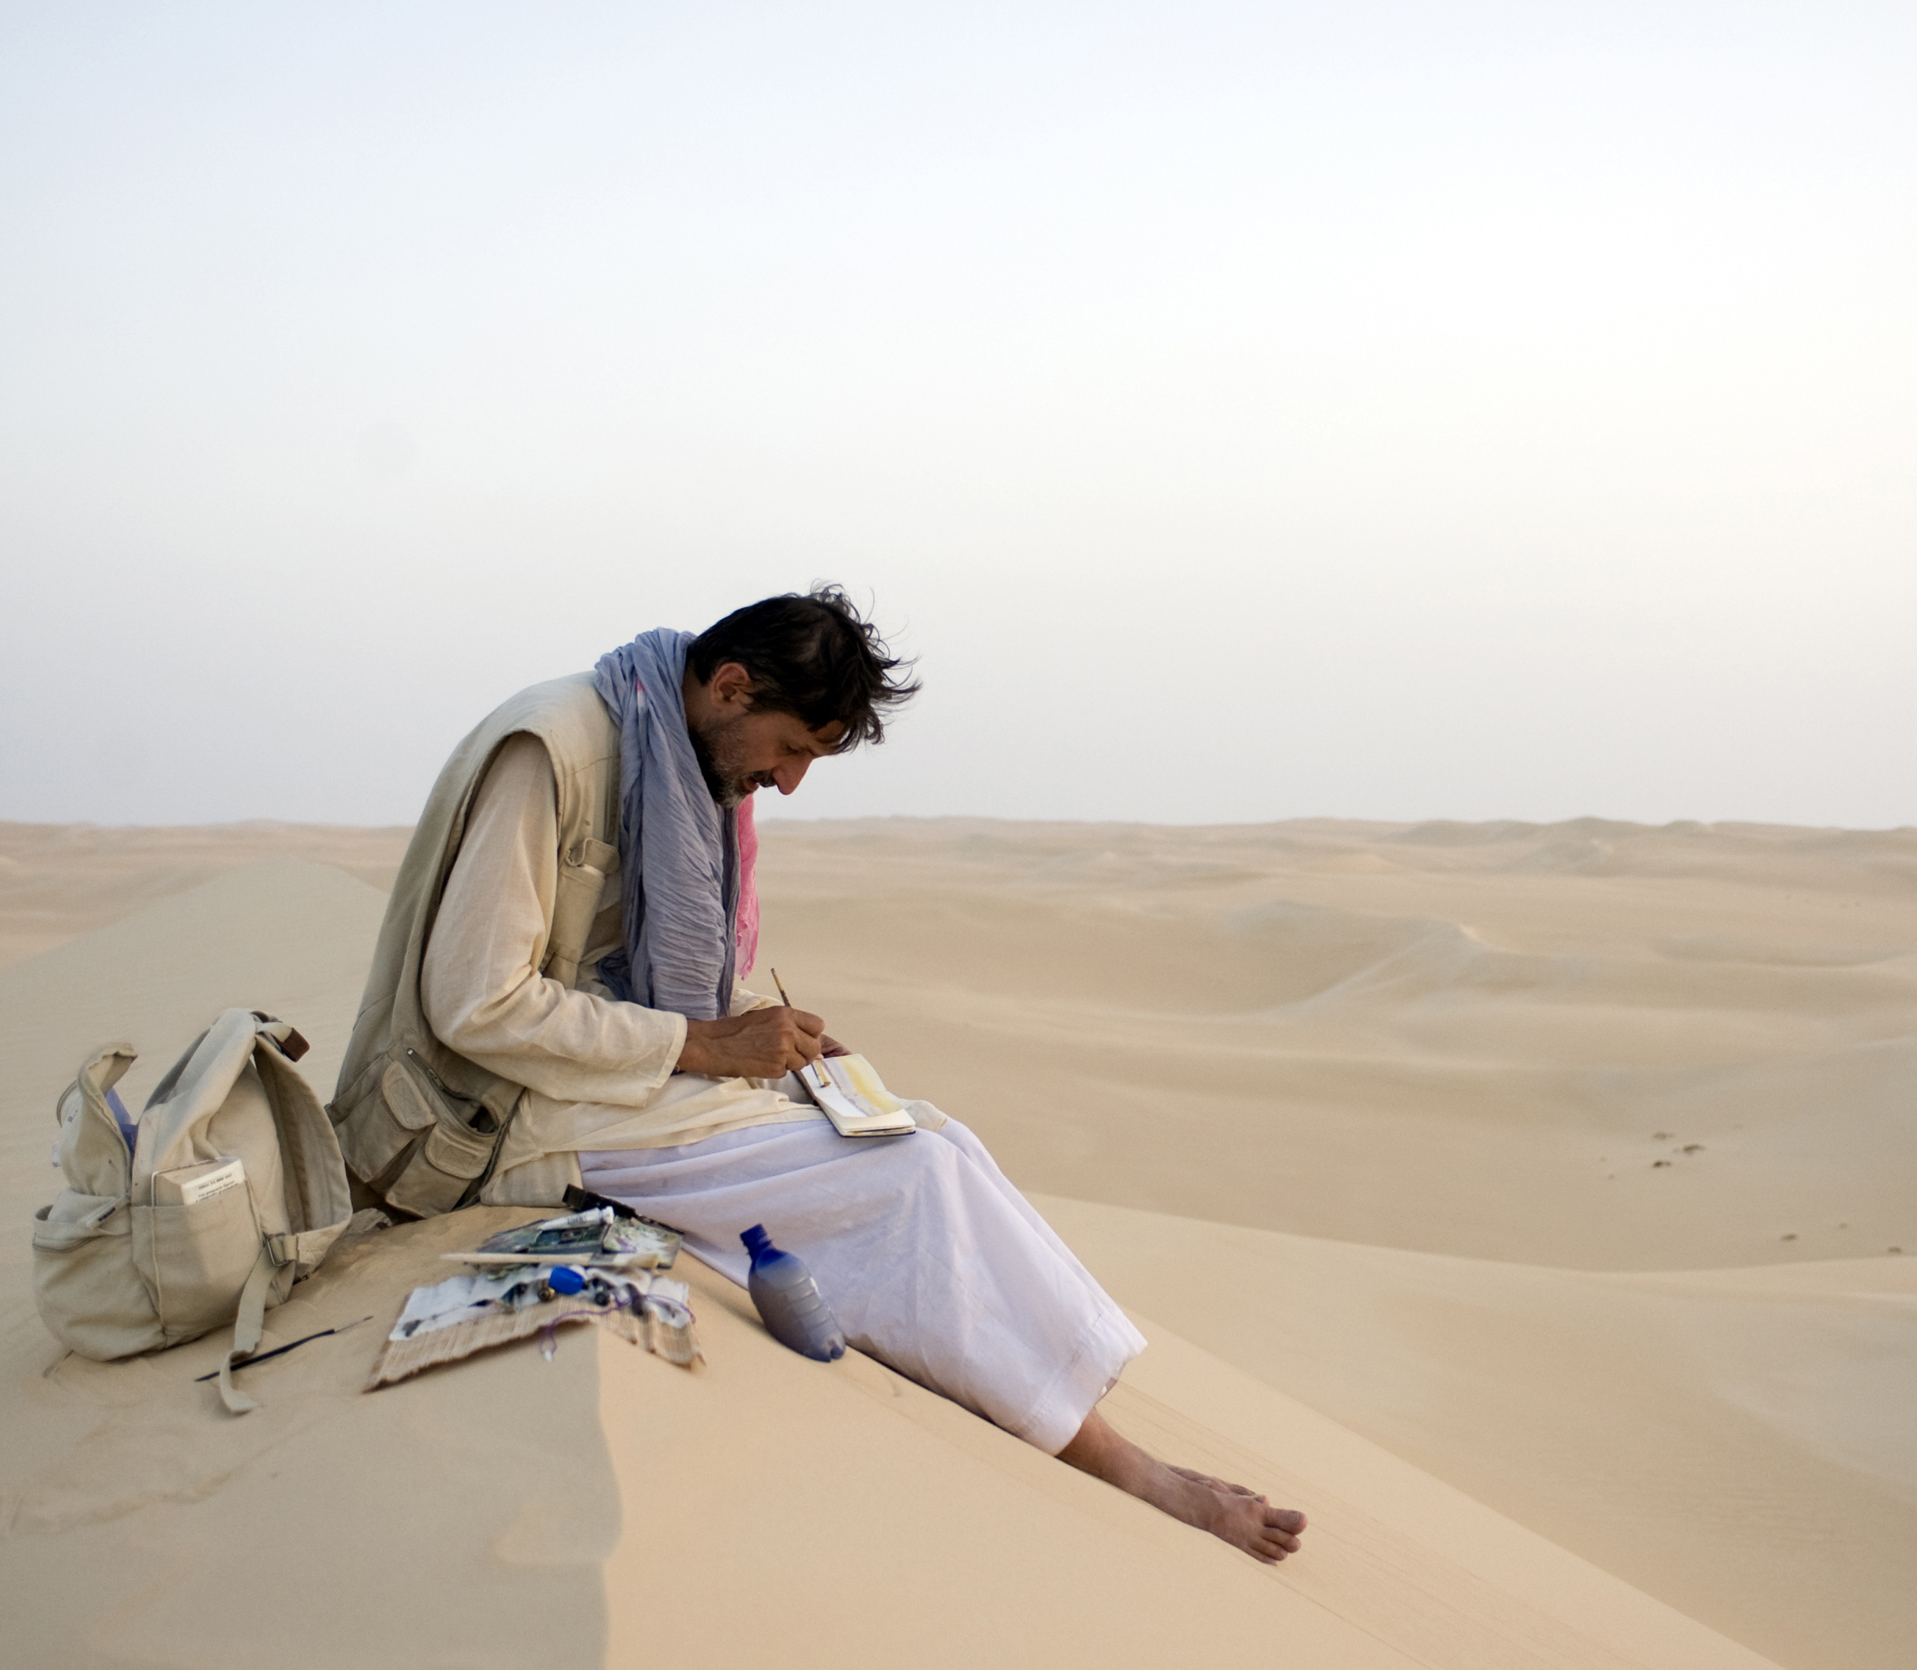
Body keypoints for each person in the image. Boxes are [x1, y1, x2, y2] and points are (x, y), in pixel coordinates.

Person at [330, 587, 1306, 1563]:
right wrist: (707, 1046)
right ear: (728, 686)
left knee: (930, 1137)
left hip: (608, 1088)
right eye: (792, 749)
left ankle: (1085, 1414)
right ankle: (1131, 1472)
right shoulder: (553, 752)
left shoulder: (672, 754)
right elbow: (476, 1003)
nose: (789, 782)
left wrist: (762, 1029)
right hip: (501, 1118)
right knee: (907, 1180)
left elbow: (625, 965)